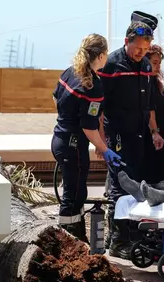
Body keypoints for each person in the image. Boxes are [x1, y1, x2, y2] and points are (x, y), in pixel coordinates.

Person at [98, 18, 164, 259]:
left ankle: (126, 233)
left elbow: (148, 106)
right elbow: (99, 105)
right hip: (117, 135)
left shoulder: (146, 66)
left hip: (139, 135)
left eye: (145, 50)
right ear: (126, 42)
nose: (141, 53)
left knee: (135, 183)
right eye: (138, 48)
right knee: (120, 185)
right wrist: (101, 143)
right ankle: (117, 240)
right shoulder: (112, 65)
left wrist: (154, 132)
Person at [51, 34, 120, 242]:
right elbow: (88, 127)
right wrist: (105, 149)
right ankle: (68, 243)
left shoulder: (70, 72)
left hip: (59, 139)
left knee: (76, 192)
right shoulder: (92, 85)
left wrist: (67, 119)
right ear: (100, 56)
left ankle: (77, 240)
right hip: (74, 146)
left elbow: (55, 98)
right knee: (73, 197)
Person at [143, 44, 164, 184]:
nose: (157, 67)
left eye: (159, 63)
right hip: (155, 134)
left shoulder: (155, 82)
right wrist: (155, 132)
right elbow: (150, 109)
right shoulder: (145, 83)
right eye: (154, 63)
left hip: (163, 131)